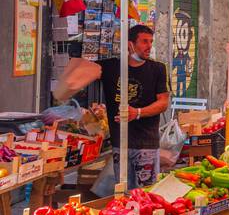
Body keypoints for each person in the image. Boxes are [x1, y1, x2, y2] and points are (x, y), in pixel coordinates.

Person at [58, 24, 170, 189]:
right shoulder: (111, 67)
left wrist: (137, 113)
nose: (149, 46)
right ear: (130, 45)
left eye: (151, 42)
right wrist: (63, 93)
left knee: (146, 195)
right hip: (120, 144)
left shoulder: (158, 69)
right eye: (144, 42)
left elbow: (163, 103)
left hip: (146, 145)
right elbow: (76, 74)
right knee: (122, 193)